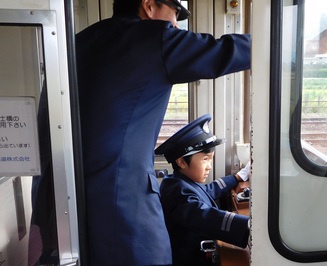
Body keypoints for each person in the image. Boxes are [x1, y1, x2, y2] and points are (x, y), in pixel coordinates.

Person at [75, 0, 251, 265]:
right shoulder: (152, 38)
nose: (176, 26)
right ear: (148, 5)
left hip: (69, 202)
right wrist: (293, 44)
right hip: (123, 205)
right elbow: (224, 51)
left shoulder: (80, 40)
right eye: (175, 14)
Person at [154, 114, 251, 266]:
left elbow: (207, 191)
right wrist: (250, 226)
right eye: (205, 159)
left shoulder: (181, 182)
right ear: (181, 162)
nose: (209, 166)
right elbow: (205, 216)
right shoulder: (178, 194)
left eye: (211, 159)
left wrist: (237, 177)